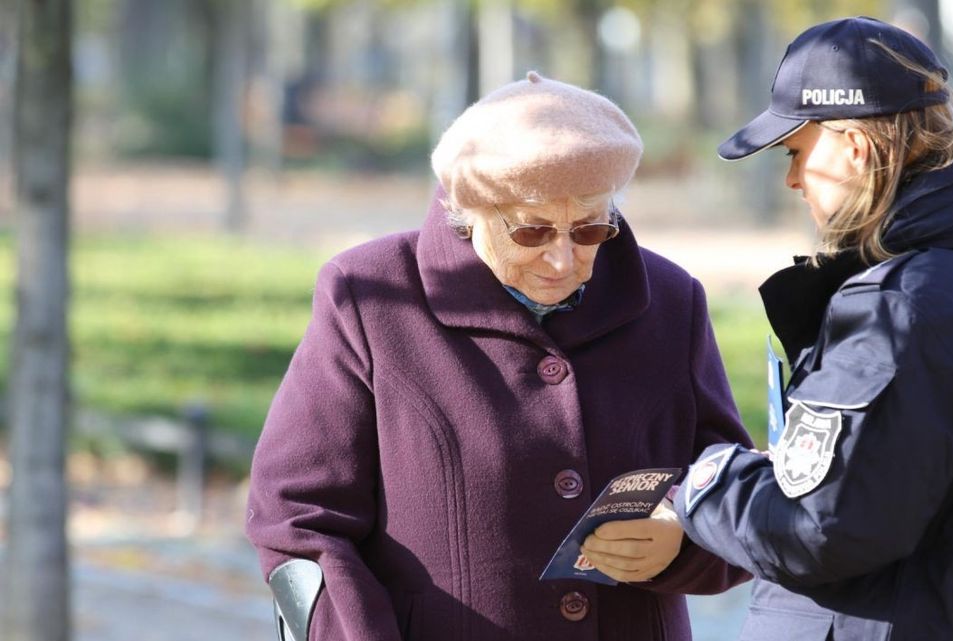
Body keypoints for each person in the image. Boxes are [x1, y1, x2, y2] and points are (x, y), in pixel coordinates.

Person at [245, 71, 753, 641]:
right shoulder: (368, 297)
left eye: (590, 229)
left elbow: (736, 494)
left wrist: (681, 539)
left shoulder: (671, 302)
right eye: (532, 232)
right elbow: (298, 519)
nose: (563, 260)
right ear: (468, 211)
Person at [673, 16, 953, 641]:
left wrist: (704, 481)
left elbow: (816, 530)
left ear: (854, 147)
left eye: (796, 152)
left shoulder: (899, 307)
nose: (792, 179)